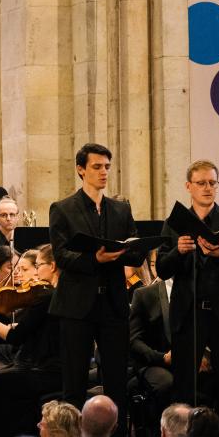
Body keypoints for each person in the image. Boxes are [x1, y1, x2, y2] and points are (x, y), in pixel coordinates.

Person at [49, 142, 139, 417]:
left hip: (112, 301)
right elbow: (62, 256)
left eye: (107, 167)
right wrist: (94, 260)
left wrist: (130, 251)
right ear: (80, 169)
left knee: (116, 380)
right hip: (77, 303)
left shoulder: (120, 210)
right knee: (74, 380)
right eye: (97, 167)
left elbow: (134, 251)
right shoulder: (63, 208)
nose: (103, 172)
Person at [158, 160, 219, 419]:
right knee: (184, 385)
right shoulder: (175, 223)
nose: (207, 188)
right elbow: (162, 270)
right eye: (201, 183)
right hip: (189, 314)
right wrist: (179, 251)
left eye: (212, 183)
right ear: (189, 186)